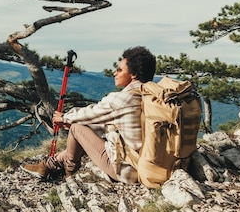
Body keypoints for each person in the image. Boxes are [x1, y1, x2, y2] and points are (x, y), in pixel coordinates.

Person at [21, 46, 156, 183]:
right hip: (149, 168)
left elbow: (91, 112)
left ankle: (67, 173)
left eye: (120, 70)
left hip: (127, 171)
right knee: (85, 129)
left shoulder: (123, 99)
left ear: (133, 75)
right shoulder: (152, 96)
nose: (115, 73)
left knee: (76, 128)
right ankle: (50, 164)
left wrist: (63, 117)